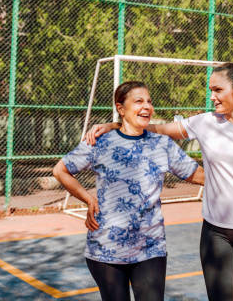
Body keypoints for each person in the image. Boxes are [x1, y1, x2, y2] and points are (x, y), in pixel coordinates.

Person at [85, 63, 233, 301]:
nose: (212, 96)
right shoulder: (205, 123)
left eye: (217, 90)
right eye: (210, 90)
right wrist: (117, 125)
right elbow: (159, 129)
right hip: (216, 234)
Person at [53, 81, 204, 301]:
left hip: (150, 247)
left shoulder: (162, 144)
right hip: (106, 249)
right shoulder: (100, 142)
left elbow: (199, 175)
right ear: (121, 108)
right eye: (139, 101)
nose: (147, 106)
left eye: (149, 101)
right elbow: (60, 170)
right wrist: (88, 198)